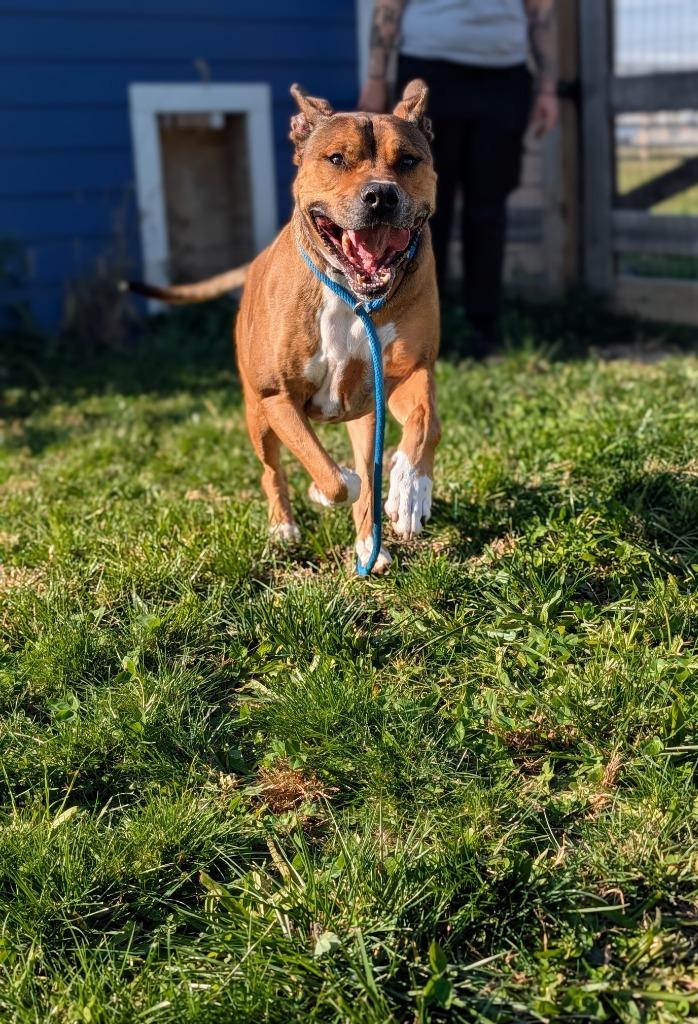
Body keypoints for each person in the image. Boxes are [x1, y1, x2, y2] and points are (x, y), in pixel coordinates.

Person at [359, 0, 559, 356]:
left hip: (504, 76)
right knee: (424, 211)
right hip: (428, 72)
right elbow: (389, 5)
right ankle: (414, 331)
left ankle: (484, 330)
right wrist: (376, 78)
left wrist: (546, 88)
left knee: (488, 209)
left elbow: (540, 11)